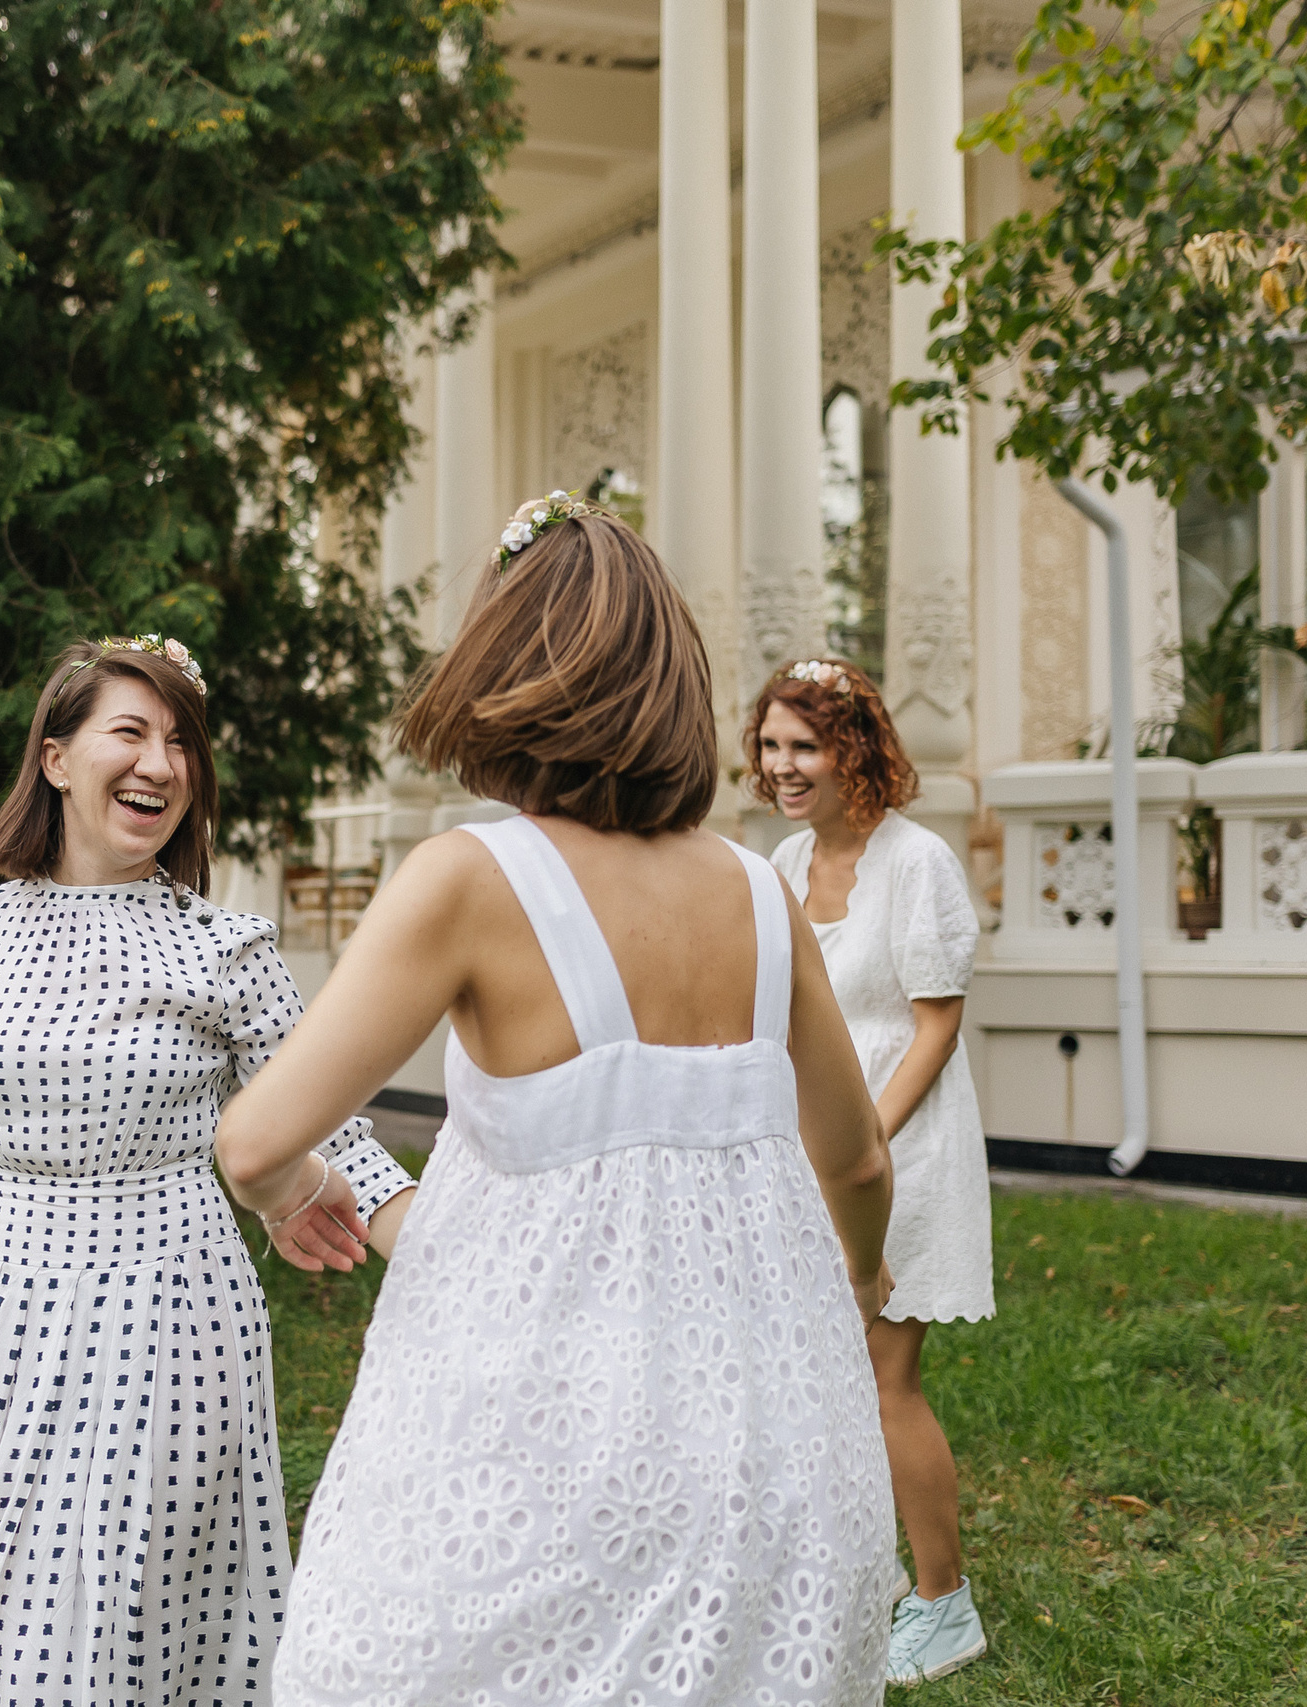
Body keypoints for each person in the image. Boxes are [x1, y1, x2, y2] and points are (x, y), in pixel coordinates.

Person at [215, 498, 901, 1706]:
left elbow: (257, 1137)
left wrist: (299, 1192)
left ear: (503, 669)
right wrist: (849, 1278)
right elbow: (854, 1162)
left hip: (531, 1431)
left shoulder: (470, 880)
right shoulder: (758, 894)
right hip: (772, 1435)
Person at [0, 634, 417, 1707]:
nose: (160, 764)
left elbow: (339, 1139)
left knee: (137, 1614)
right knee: (1, 1612)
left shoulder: (224, 945)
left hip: (171, 1319)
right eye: (131, 733)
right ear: (56, 759)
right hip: (0, 1320)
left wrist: (451, 1252)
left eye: (180, 743)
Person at [754, 656, 994, 1686]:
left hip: (904, 1151)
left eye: (802, 746)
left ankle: (945, 1607)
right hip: (806, 1154)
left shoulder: (917, 864)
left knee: (888, 1378)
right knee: (824, 1378)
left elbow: (935, 1027)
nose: (781, 767)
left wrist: (864, 1145)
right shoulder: (774, 868)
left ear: (852, 749)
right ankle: (870, 1570)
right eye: (768, 747)